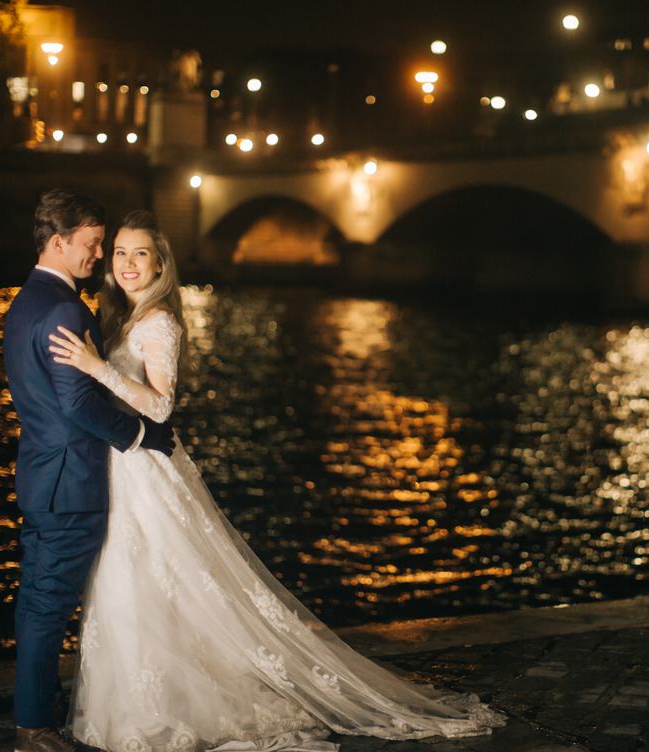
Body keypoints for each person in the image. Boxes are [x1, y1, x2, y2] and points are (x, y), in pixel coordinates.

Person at [48, 211, 504, 752]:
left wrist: (98, 368)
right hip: (122, 465)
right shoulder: (125, 317)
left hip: (144, 468)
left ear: (161, 263)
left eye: (139, 253)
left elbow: (163, 406)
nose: (126, 263)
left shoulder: (159, 322)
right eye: (119, 252)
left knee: (149, 581)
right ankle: (135, 703)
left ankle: (160, 710)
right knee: (131, 585)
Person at [4, 191, 176, 752]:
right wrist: (142, 435)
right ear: (58, 243)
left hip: (40, 474)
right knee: (48, 605)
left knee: (37, 599)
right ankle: (34, 725)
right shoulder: (66, 309)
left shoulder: (25, 302)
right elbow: (77, 404)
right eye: (93, 243)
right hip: (71, 483)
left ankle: (37, 708)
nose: (101, 255)